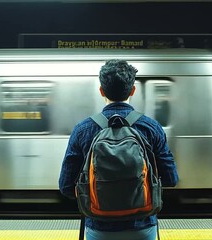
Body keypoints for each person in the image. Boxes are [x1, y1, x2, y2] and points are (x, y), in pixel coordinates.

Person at [59, 59, 179, 240]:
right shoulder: (151, 127)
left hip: (98, 228)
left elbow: (66, 187)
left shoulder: (83, 129)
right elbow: (171, 179)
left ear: (101, 91)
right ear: (132, 90)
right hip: (143, 227)